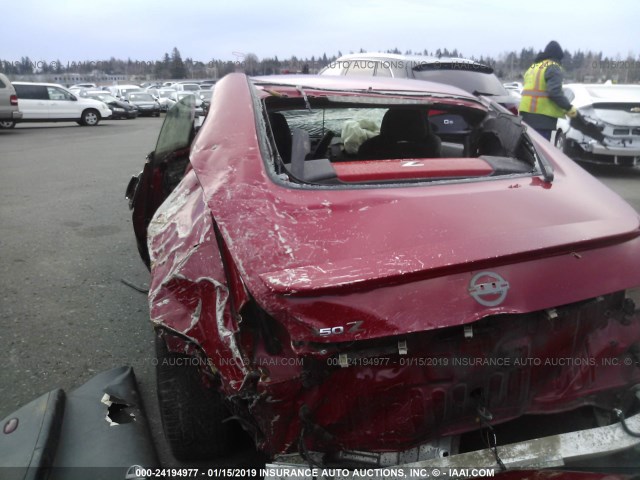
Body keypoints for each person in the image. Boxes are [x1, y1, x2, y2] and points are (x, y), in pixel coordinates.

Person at [519, 41, 577, 141]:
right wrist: (569, 108)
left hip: (524, 117)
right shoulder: (553, 67)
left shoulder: (534, 67)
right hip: (542, 121)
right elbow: (555, 92)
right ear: (558, 56)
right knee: (540, 153)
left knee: (527, 151)